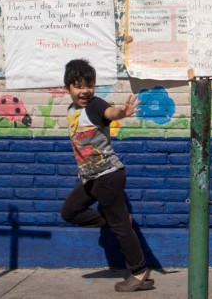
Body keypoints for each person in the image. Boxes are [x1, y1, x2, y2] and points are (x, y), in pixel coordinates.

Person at [60, 58, 154, 292]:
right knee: (70, 212)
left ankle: (140, 272)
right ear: (68, 88)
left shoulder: (94, 105)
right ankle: (118, 221)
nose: (84, 90)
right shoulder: (72, 110)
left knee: (121, 227)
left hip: (108, 175)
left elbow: (109, 112)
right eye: (78, 85)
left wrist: (121, 112)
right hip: (92, 178)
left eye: (89, 85)